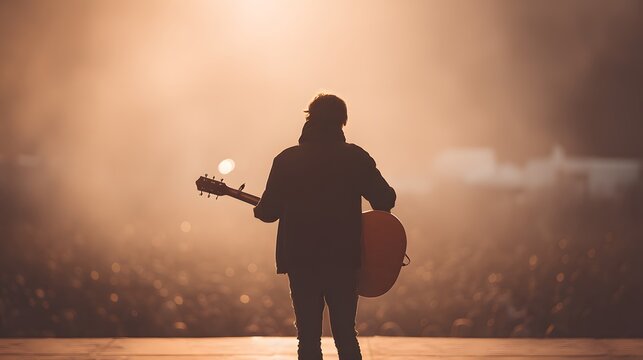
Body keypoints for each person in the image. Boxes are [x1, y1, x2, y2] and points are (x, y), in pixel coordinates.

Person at [254, 93, 396, 360]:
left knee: (307, 337)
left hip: (301, 260)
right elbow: (384, 200)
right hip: (344, 259)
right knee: (345, 334)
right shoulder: (355, 157)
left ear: (309, 118)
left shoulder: (287, 159)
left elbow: (269, 212)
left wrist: (260, 209)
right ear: (343, 121)